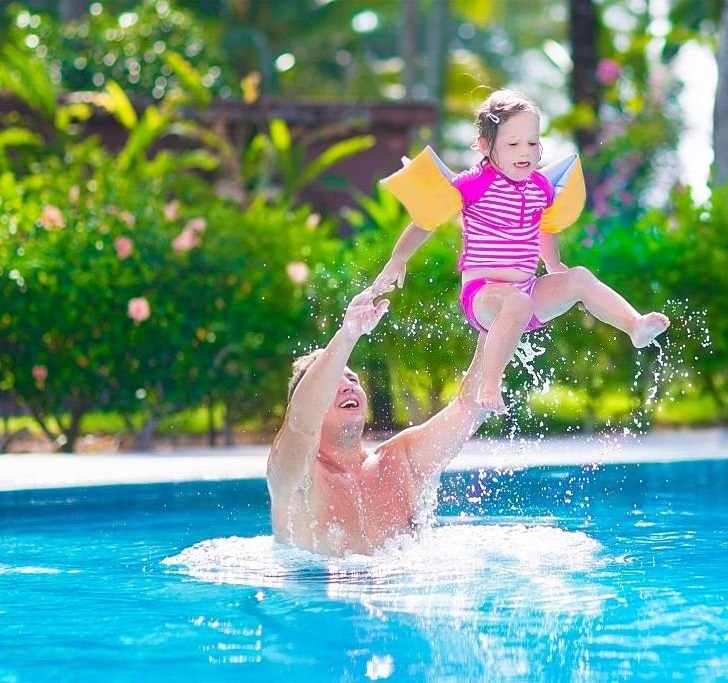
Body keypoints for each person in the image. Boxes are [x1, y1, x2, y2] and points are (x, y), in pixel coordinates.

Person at [373, 89, 670, 414]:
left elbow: (545, 225)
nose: (525, 151)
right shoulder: (474, 184)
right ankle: (490, 383)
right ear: (486, 147)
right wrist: (398, 259)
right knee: (517, 301)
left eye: (532, 142)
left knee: (579, 278)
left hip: (528, 293)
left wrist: (554, 263)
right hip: (484, 296)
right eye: (513, 144)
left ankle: (634, 326)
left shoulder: (539, 186)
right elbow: (427, 219)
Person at [267, 287, 490, 557]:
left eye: (352, 380)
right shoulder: (296, 478)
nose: (348, 386)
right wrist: (347, 336)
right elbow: (301, 424)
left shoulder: (400, 459)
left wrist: (492, 327)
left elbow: (470, 407)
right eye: (333, 385)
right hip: (316, 593)